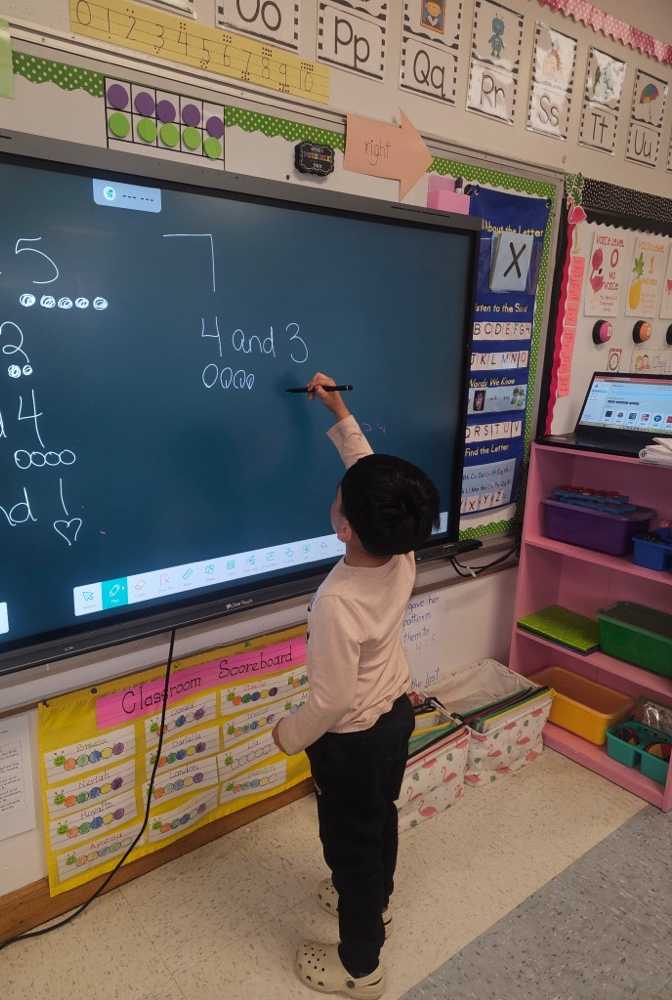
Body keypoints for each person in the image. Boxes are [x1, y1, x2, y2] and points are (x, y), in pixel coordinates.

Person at [273, 372, 440, 999]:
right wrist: (339, 411)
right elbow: (371, 473)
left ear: (344, 525)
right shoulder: (402, 547)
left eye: (340, 496)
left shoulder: (338, 601)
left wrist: (289, 736)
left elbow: (331, 701)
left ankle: (360, 968)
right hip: (395, 714)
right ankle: (377, 901)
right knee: (378, 818)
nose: (339, 494)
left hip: (352, 737)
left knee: (352, 844)